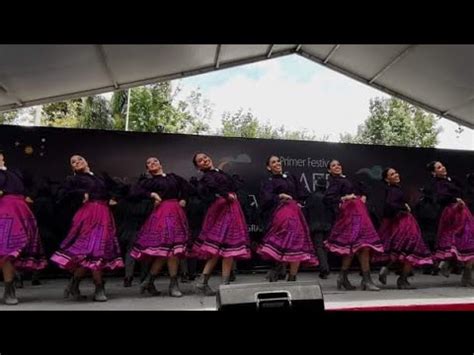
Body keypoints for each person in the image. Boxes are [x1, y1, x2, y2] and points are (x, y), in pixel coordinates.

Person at [50, 155, 124, 302]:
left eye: (79, 159)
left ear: (86, 161)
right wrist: (79, 194)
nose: (77, 162)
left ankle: (76, 284)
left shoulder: (99, 177)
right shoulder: (73, 180)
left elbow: (118, 188)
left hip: (104, 214)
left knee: (97, 252)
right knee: (87, 252)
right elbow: (60, 196)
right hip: (87, 214)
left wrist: (113, 197)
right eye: (73, 162)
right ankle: (98, 287)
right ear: (72, 167)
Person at [189, 153, 251, 295]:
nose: (204, 160)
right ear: (198, 167)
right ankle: (222, 285)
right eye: (200, 161)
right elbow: (214, 187)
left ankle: (209, 283)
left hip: (231, 208)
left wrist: (222, 172)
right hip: (223, 209)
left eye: (205, 157)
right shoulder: (207, 177)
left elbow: (232, 185)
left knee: (224, 249)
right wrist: (226, 195)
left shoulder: (217, 173)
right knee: (224, 247)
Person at [129, 157, 190, 297]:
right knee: (168, 250)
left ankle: (151, 282)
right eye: (149, 163)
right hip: (162, 214)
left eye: (155, 161)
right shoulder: (149, 182)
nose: (152, 163)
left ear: (161, 164)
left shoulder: (173, 177)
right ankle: (169, 285)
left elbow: (187, 187)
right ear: (148, 169)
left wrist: (184, 198)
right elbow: (133, 192)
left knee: (171, 251)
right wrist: (151, 194)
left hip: (176, 213)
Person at [323, 159, 383, 291]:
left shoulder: (346, 179)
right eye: (333, 165)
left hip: (359, 214)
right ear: (329, 170)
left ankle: (345, 277)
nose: (337, 166)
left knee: (359, 247)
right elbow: (327, 198)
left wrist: (363, 196)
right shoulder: (335, 182)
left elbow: (362, 190)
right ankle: (364, 280)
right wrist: (344, 198)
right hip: (349, 217)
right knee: (359, 246)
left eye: (338, 164)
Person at [257, 155, 318, 281]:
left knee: (297, 242)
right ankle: (278, 267)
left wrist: (300, 202)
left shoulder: (290, 176)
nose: (277, 163)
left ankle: (292, 277)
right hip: (280, 212)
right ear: (269, 167)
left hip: (295, 211)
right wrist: (279, 196)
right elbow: (266, 199)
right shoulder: (268, 181)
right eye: (273, 162)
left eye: (278, 161)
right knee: (284, 239)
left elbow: (302, 192)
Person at [0, 150, 47, 305]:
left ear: (2, 157)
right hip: (3, 209)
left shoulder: (16, 173)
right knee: (6, 249)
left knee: (12, 249)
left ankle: (9, 289)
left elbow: (35, 183)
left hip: (19, 210)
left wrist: (30, 195)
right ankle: (10, 288)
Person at [376, 168, 432, 289]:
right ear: (387, 179)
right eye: (392, 174)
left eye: (396, 172)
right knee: (411, 250)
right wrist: (404, 207)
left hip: (401, 223)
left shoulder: (393, 189)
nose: (396, 175)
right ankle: (402, 279)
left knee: (400, 250)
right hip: (405, 223)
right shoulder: (394, 190)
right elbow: (390, 204)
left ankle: (387, 269)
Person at [427, 161, 474, 287]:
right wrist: (455, 199)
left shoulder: (451, 180)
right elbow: (440, 198)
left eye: (442, 166)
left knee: (465, 241)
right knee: (465, 240)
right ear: (433, 172)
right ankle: (463, 273)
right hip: (453, 212)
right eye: (438, 167)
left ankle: (449, 264)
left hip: (462, 211)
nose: (442, 168)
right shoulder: (437, 184)